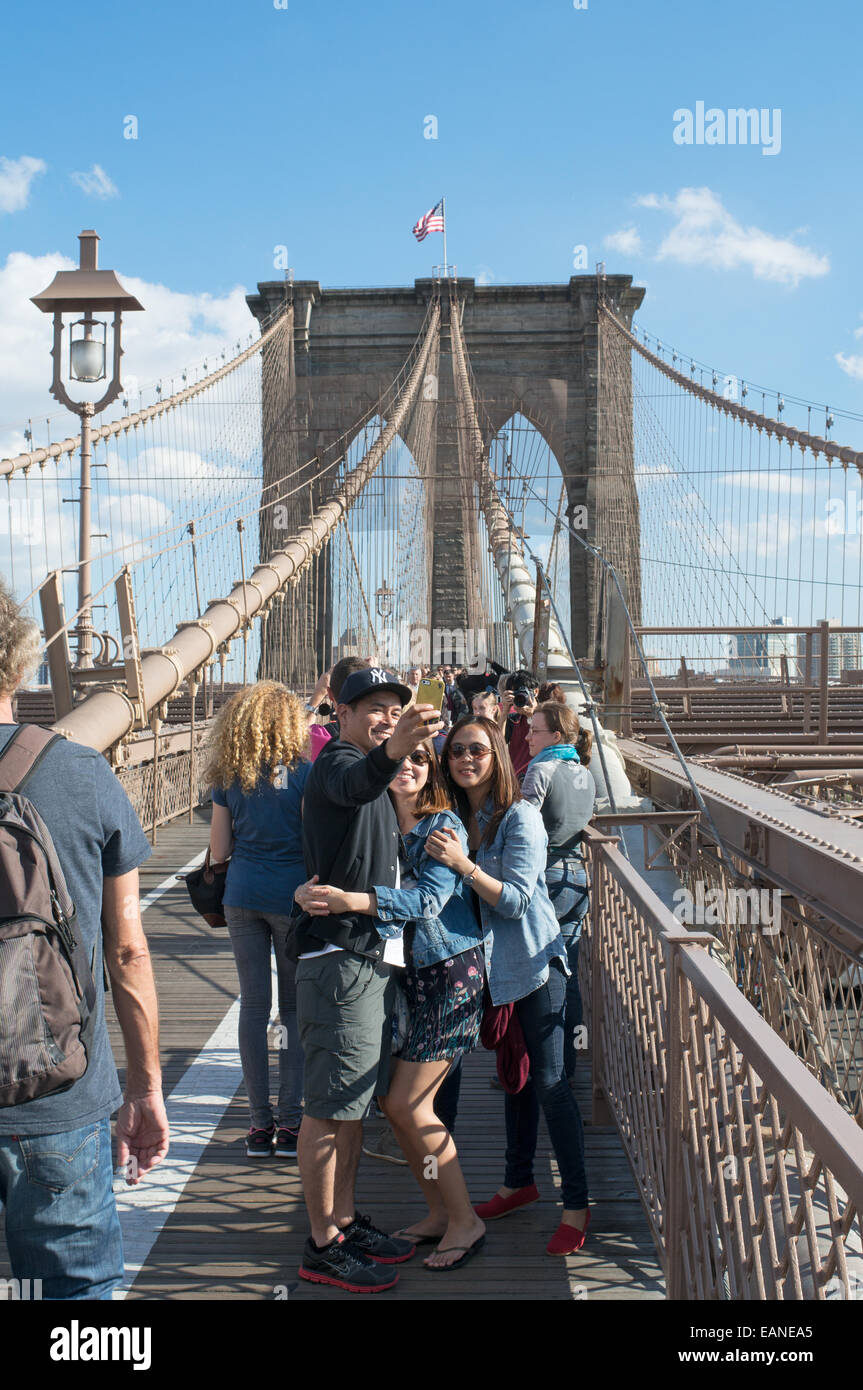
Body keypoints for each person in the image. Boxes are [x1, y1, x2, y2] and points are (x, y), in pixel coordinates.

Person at [0, 579, 169, 1299]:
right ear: (21, 664)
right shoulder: (77, 770)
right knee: (75, 1306)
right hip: (58, 1097)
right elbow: (127, 950)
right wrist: (146, 1086)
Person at [296, 739, 487, 1270]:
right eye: (402, 756)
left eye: (422, 758)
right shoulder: (378, 816)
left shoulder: (441, 824)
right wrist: (304, 894)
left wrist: (352, 901)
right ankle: (437, 1212)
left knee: (408, 1105)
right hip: (406, 976)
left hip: (450, 974)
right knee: (392, 1105)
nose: (408, 765)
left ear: (432, 772)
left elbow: (428, 903)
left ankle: (466, 1220)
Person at [295, 666, 443, 1293]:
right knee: (328, 1108)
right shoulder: (339, 762)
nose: (386, 716)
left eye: (396, 707)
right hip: (338, 962)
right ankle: (323, 1243)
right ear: (343, 712)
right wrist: (395, 745)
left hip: (367, 960)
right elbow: (356, 782)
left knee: (351, 1106)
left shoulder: (377, 775)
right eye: (374, 707)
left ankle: (345, 1220)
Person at [426, 714, 591, 1256]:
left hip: (534, 966)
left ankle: (577, 1205)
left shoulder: (520, 817)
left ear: (497, 754)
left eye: (476, 749)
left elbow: (517, 900)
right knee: (514, 1076)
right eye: (455, 752)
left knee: (549, 1082)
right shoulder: (453, 819)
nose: (466, 759)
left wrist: (462, 864)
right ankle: (518, 1182)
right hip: (486, 973)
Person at [206, 681, 311, 1159]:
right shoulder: (306, 775)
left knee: (253, 1006)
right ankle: (290, 1126)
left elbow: (219, 851)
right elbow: (314, 843)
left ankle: (257, 1126)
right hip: (292, 899)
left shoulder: (230, 778)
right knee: (292, 1011)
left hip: (242, 895)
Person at [522, 702, 595, 1080]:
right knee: (569, 972)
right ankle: (569, 1062)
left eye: (534, 730)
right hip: (578, 877)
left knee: (539, 972)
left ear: (554, 735)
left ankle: (540, 1067)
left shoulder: (540, 770)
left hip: (546, 878)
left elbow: (524, 827)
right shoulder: (585, 773)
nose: (527, 735)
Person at [499, 669, 539, 778]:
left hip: (537, 776)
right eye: (515, 694)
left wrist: (531, 715)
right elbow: (499, 741)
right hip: (515, 776)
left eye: (522, 692)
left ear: (535, 692)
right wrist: (505, 711)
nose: (519, 697)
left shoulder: (547, 717)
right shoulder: (513, 720)